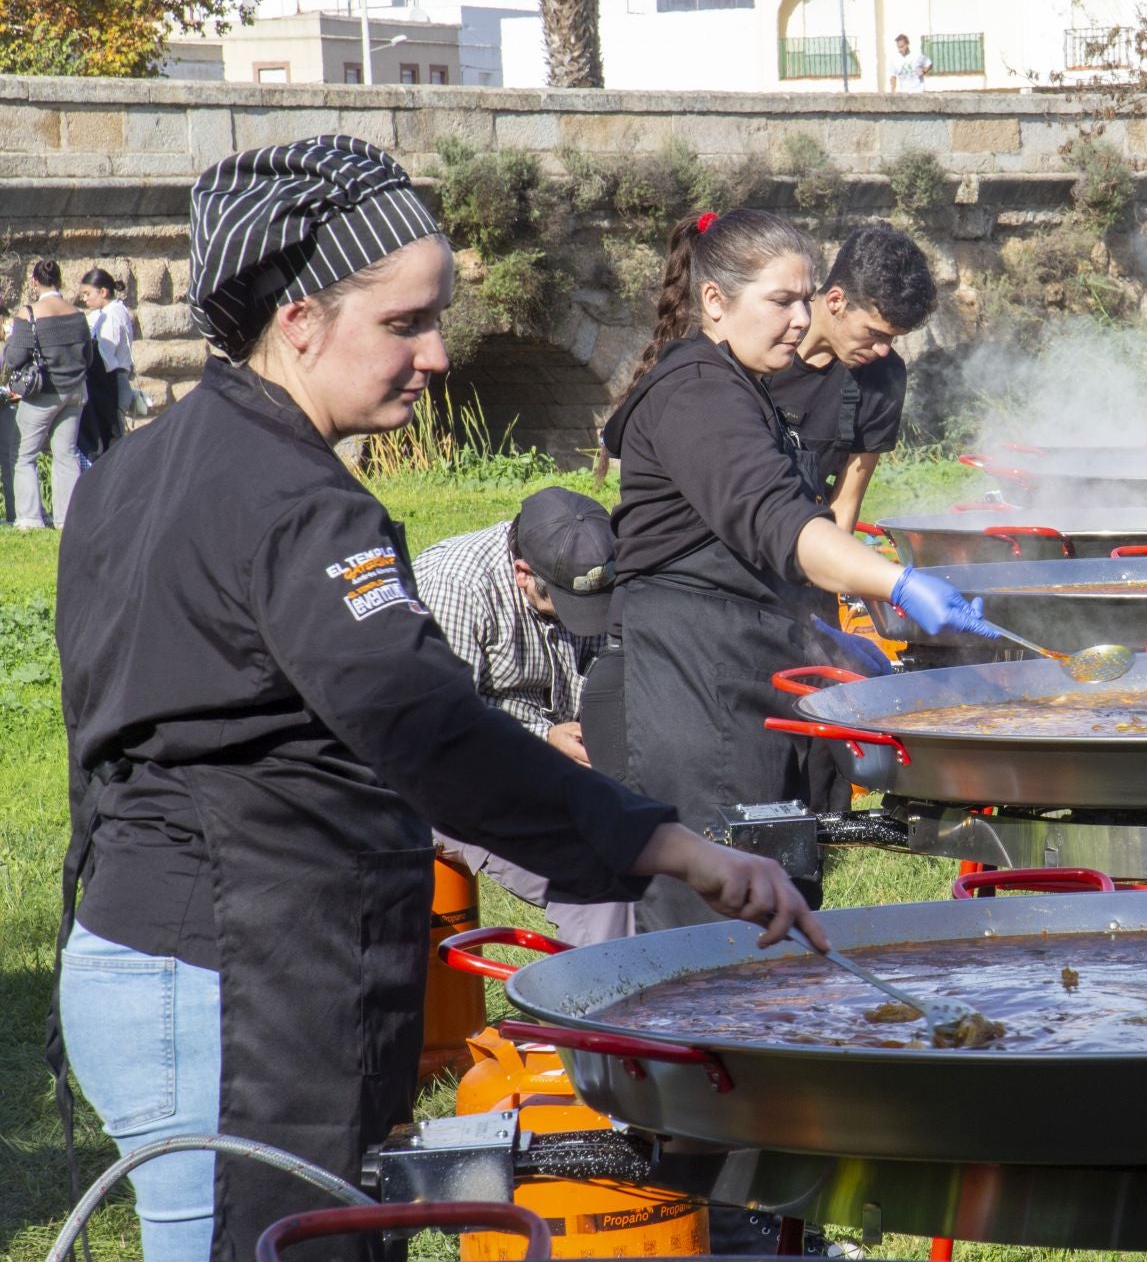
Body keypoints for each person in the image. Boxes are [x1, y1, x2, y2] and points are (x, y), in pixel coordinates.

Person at [50, 137, 824, 1262]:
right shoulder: (304, 507)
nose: (440, 353)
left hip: (136, 952)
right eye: (406, 323)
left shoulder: (142, 461)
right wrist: (665, 844)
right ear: (301, 320)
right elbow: (433, 733)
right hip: (240, 975)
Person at [600, 207, 993, 937]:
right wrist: (897, 583)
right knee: (713, 937)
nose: (799, 318)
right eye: (782, 301)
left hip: (746, 666)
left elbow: (795, 537)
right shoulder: (697, 393)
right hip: (690, 687)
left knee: (777, 905)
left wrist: (831, 635)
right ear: (715, 302)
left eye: (804, 299)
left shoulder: (745, 385)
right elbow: (782, 523)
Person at [413, 486, 661, 945]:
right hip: (448, 780)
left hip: (553, 772)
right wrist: (543, 737)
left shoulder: (599, 564)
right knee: (599, 878)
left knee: (668, 836)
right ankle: (598, 1008)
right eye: (566, 609)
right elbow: (436, 730)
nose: (582, 624)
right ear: (523, 573)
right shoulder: (456, 585)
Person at [767, 224, 935, 532]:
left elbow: (846, 500)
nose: (883, 350)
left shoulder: (884, 375)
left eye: (894, 338)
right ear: (836, 301)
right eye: (875, 333)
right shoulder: (762, 343)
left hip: (805, 541)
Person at [3, 259, 92, 527]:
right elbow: (88, 356)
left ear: (34, 282)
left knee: (22, 455)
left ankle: (30, 518)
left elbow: (15, 357)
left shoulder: (29, 314)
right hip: (75, 390)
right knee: (66, 454)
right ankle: (67, 520)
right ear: (60, 281)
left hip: (43, 393)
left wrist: (7, 342)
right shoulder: (77, 314)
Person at [77, 267, 135, 458]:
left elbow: (105, 356)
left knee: (111, 437)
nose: (84, 299)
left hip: (110, 380)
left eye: (87, 294)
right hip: (112, 379)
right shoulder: (109, 312)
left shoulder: (112, 314)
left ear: (103, 292)